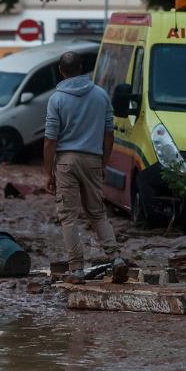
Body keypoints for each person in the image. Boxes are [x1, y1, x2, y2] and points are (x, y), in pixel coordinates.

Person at [44, 52, 125, 284]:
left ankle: (77, 270)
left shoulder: (56, 99)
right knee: (98, 213)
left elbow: (50, 140)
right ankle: (116, 259)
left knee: (68, 217)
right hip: (92, 159)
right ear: (81, 69)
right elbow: (110, 133)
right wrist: (103, 162)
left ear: (61, 71)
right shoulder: (100, 95)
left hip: (66, 161)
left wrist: (47, 173)